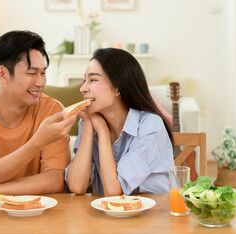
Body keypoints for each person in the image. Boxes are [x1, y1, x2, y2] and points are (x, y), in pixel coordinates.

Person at [0, 30, 79, 201]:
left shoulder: (52, 111)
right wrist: (37, 143)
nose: (41, 82)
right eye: (32, 73)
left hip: (36, 210)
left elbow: (56, 180)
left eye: (43, 73)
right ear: (2, 74)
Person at [65, 48, 174, 196]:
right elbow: (77, 186)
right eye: (85, 80)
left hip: (152, 214)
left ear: (117, 87)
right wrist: (88, 126)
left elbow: (113, 191)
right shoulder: (91, 121)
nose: (83, 88)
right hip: (110, 215)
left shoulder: (150, 125)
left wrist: (103, 131)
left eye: (93, 80)